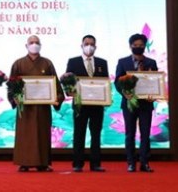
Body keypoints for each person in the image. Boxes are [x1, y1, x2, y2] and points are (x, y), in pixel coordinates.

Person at [8, 35, 64, 172]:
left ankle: (43, 163)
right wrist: (14, 98)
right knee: (25, 134)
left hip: (42, 107)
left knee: (42, 134)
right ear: (26, 46)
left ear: (41, 45)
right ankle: (24, 162)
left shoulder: (47, 63)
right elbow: (11, 85)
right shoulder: (18, 64)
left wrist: (57, 97)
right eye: (31, 42)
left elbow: (55, 85)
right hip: (25, 108)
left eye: (37, 42)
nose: (34, 44)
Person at [114, 33, 158, 173]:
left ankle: (145, 162)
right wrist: (124, 93)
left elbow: (155, 82)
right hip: (129, 103)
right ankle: (131, 163)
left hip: (146, 103)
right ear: (130, 46)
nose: (138, 47)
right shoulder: (123, 62)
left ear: (145, 46)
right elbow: (117, 82)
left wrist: (154, 95)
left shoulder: (151, 63)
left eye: (141, 45)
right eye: (135, 45)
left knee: (145, 134)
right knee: (130, 134)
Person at [65, 34, 109, 172]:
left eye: (92, 44)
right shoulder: (73, 62)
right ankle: (78, 163)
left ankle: (95, 163)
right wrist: (69, 91)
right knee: (79, 133)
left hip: (97, 105)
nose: (89, 46)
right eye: (86, 44)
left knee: (96, 134)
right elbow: (67, 81)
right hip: (80, 105)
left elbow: (105, 83)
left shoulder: (102, 63)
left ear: (95, 47)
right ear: (82, 46)